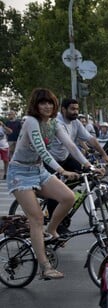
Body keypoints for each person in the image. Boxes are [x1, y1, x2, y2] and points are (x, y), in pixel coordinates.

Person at [6, 88, 83, 280]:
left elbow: (70, 144)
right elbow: (41, 149)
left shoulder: (54, 123)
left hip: (38, 170)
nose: (47, 106)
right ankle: (45, 267)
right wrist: (62, 170)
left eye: (50, 102)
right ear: (35, 105)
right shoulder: (31, 121)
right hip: (20, 173)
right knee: (37, 219)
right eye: (42, 103)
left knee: (68, 197)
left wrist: (88, 164)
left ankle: (52, 230)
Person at [45, 98, 108, 234]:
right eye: (72, 109)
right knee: (54, 192)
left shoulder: (76, 122)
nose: (76, 112)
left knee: (88, 174)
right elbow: (71, 145)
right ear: (63, 109)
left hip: (65, 157)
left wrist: (104, 155)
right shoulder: (57, 122)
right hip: (51, 160)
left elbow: (91, 139)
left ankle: (65, 199)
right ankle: (54, 225)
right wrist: (88, 164)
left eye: (77, 109)